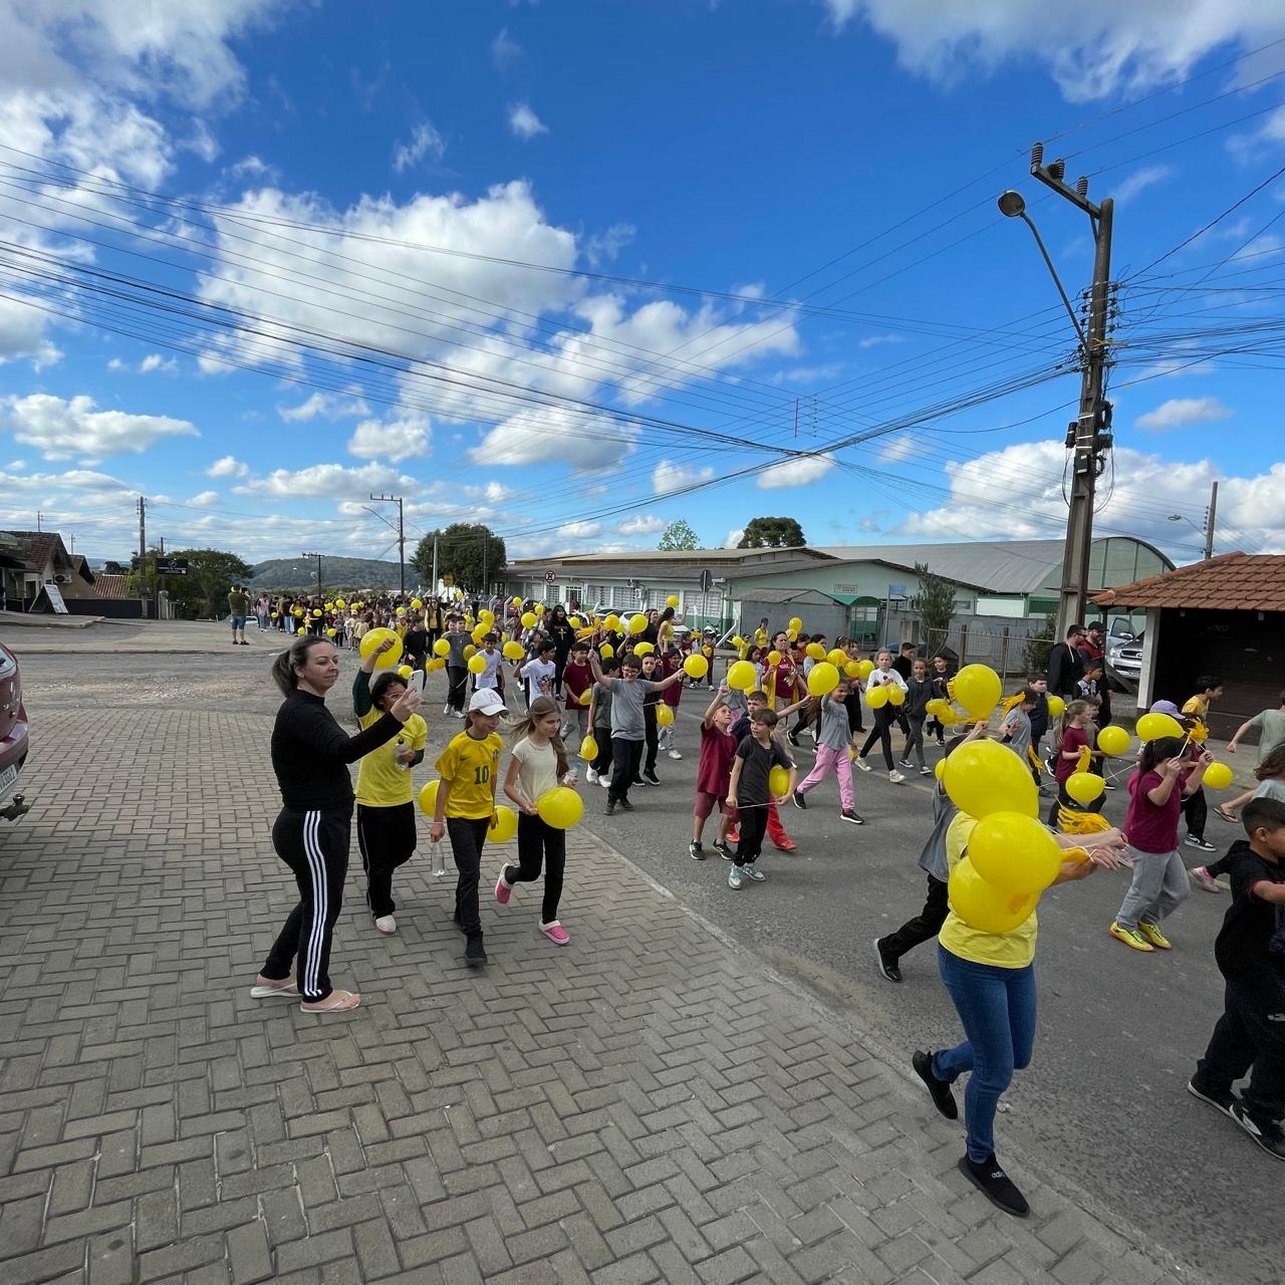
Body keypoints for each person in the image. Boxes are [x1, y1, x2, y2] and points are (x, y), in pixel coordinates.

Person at [913, 817, 1124, 1217]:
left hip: (1017, 956)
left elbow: (1039, 861)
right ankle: (979, 1159)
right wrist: (1084, 850)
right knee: (996, 1070)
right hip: (971, 958)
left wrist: (1084, 861)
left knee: (1017, 1055)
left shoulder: (1016, 816)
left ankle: (939, 1067)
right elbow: (1012, 871)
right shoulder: (966, 824)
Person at [252, 636, 422, 1012]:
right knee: (323, 908)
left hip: (314, 823)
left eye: (334, 660)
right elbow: (343, 751)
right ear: (299, 669)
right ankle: (315, 991)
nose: (332, 667)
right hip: (313, 824)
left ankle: (275, 972)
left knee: (315, 902)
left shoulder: (310, 706)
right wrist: (396, 718)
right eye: (321, 662)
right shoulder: (302, 710)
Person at [1187, 797, 1285, 1160]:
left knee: (1243, 1022)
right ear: (1262, 834)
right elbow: (1268, 892)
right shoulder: (1248, 862)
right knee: (1280, 1038)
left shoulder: (1275, 854)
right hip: (1249, 961)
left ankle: (1211, 1080)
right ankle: (1260, 1112)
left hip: (1271, 959)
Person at [874, 723, 988, 983]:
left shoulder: (978, 790)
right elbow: (952, 766)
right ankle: (889, 947)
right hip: (943, 871)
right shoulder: (948, 792)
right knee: (932, 922)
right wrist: (971, 736)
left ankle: (973, 970)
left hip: (970, 870)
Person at [1109, 734, 1213, 952]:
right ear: (1169, 761)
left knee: (1180, 890)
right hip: (1146, 844)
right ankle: (1123, 924)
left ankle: (1146, 919)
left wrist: (1202, 767)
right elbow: (1158, 799)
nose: (1187, 765)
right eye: (1185, 761)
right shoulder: (1147, 779)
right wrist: (1171, 777)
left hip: (1167, 843)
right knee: (1145, 890)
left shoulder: (1172, 776)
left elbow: (1190, 789)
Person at [352, 640, 428, 936]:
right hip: (372, 799)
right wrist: (375, 654)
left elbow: (419, 753)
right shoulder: (370, 717)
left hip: (401, 797)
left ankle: (376, 876)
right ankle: (381, 905)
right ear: (382, 700)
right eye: (395, 696)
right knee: (379, 858)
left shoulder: (417, 723)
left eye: (405, 694)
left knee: (405, 848)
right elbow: (359, 687)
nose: (402, 700)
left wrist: (413, 757)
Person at [430, 688, 506, 968]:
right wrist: (438, 821)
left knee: (469, 870)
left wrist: (492, 807)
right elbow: (444, 783)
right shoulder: (457, 746)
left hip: (481, 815)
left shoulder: (496, 742)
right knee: (472, 872)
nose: (494, 722)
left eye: (497, 716)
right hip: (459, 816)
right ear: (473, 715)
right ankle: (474, 935)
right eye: (489, 717)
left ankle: (461, 911)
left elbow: (493, 776)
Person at [497, 696, 577, 946]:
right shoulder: (522, 748)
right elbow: (508, 786)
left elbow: (555, 777)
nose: (555, 726)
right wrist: (524, 804)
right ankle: (509, 875)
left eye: (557, 721)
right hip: (530, 815)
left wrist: (566, 785)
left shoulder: (556, 744)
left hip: (555, 814)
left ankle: (549, 920)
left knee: (556, 869)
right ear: (535, 720)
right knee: (531, 871)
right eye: (550, 722)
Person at [587, 650, 683, 816]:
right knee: (621, 767)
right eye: (626, 669)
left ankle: (623, 795)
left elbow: (661, 685)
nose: (629, 673)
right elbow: (600, 678)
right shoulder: (617, 684)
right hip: (620, 734)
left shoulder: (642, 685)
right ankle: (612, 798)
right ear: (622, 669)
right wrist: (593, 661)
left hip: (638, 734)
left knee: (632, 771)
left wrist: (676, 676)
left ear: (639, 672)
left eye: (633, 670)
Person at [1192, 745, 1285, 892]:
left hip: (1275, 832)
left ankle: (1208, 871)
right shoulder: (1271, 784)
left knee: (1244, 854)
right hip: (1268, 830)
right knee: (1249, 855)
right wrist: (1261, 827)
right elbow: (1257, 805)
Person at [726, 708, 796, 891]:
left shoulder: (774, 748)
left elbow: (791, 769)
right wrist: (732, 794)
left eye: (759, 724)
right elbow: (737, 770)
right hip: (746, 797)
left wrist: (789, 794)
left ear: (771, 727)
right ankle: (737, 866)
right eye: (753, 723)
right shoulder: (748, 743)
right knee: (748, 833)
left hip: (763, 799)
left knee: (757, 837)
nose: (754, 727)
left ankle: (750, 863)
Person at [792, 680, 863, 824]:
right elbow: (824, 702)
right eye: (839, 691)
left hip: (842, 747)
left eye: (845, 691)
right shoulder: (828, 705)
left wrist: (851, 742)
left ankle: (847, 809)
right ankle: (799, 791)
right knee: (818, 776)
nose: (843, 694)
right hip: (827, 746)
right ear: (831, 691)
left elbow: (845, 727)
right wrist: (825, 686)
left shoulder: (843, 708)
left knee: (846, 778)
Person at [1217, 692, 1285, 824]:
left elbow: (1247, 724)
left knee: (1269, 786)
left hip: (1266, 757)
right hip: (1280, 760)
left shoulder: (1268, 713)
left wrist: (1234, 741)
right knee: (1269, 786)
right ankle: (1230, 806)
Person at [690, 685, 737, 861]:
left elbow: (732, 760)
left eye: (729, 712)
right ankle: (696, 841)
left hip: (725, 781)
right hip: (708, 779)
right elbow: (707, 716)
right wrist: (719, 696)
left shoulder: (732, 739)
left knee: (729, 813)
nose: (728, 714)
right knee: (702, 813)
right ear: (716, 717)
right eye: (723, 711)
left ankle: (720, 841)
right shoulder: (710, 732)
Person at [1045, 700, 1103, 829]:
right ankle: (1051, 825)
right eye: (1087, 714)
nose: (1090, 717)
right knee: (1063, 799)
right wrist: (1079, 754)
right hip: (1068, 772)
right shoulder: (1071, 732)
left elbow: (1084, 750)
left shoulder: (1080, 729)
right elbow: (1065, 754)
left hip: (1077, 770)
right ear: (1078, 715)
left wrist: (1099, 753)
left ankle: (1085, 822)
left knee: (1098, 796)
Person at [856, 649, 909, 783]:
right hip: (879, 706)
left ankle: (860, 757)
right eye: (882, 659)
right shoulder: (874, 673)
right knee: (886, 735)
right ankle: (892, 771)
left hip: (892, 707)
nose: (884, 661)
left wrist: (894, 688)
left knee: (876, 732)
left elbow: (905, 687)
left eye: (887, 659)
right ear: (877, 661)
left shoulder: (894, 673)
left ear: (891, 661)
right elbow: (869, 691)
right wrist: (884, 687)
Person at [585, 657, 618, 786]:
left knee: (612, 751)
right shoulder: (598, 686)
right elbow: (592, 705)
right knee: (602, 749)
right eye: (617, 670)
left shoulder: (617, 685)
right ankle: (592, 766)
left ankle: (603, 774)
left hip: (615, 722)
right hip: (601, 722)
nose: (619, 673)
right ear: (610, 671)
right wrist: (590, 725)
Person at [900, 657, 934, 776]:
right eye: (916, 668)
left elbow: (937, 695)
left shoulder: (930, 683)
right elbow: (903, 698)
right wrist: (907, 708)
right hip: (911, 714)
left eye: (921, 668)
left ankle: (903, 758)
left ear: (925, 669)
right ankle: (923, 765)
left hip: (922, 714)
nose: (918, 671)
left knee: (913, 736)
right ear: (913, 669)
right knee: (919, 738)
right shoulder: (909, 682)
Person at [561, 639, 594, 747]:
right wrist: (573, 696)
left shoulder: (588, 667)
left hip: (585, 702)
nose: (584, 655)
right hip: (573, 701)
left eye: (585, 653)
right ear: (574, 654)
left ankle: (583, 745)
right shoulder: (570, 667)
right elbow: (565, 683)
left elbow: (589, 683)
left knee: (584, 725)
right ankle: (560, 738)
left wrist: (591, 696)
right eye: (581, 653)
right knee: (572, 723)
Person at [1046, 623, 1086, 698]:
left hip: (1074, 693)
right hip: (1064, 694)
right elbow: (1055, 672)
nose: (1085, 638)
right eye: (1084, 636)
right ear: (1075, 635)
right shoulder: (1060, 650)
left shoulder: (1077, 652)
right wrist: (1057, 694)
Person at [442, 613, 470, 718]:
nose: (462, 625)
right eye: (460, 623)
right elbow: (442, 643)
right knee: (454, 684)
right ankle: (450, 703)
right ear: (455, 624)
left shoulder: (468, 637)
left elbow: (471, 650)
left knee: (462, 688)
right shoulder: (450, 636)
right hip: (453, 663)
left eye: (464, 623)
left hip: (465, 664)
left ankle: (458, 709)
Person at [519, 639, 558, 710]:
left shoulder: (552, 665)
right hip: (536, 700)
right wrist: (521, 662)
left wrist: (552, 697)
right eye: (552, 652)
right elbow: (517, 674)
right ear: (544, 653)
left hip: (547, 700)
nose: (554, 654)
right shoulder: (532, 665)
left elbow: (550, 682)